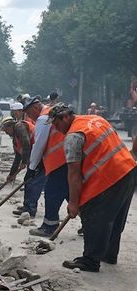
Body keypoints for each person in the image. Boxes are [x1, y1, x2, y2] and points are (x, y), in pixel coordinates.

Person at [47, 103, 137, 272]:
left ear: (65, 117)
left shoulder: (73, 136)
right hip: (128, 170)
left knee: (93, 215)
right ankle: (109, 255)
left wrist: (74, 203)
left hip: (110, 177)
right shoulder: (96, 119)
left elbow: (73, 173)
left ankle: (90, 260)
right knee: (115, 217)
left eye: (56, 124)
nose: (55, 128)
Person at [23, 96, 69, 237]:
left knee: (51, 193)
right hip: (66, 160)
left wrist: (31, 168)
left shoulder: (43, 118)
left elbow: (39, 145)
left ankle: (49, 226)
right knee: (71, 196)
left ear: (36, 108)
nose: (30, 117)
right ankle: (88, 225)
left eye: (30, 113)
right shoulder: (50, 112)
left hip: (59, 163)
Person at [1, 117, 45, 218]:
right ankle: (27, 207)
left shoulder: (20, 127)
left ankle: (30, 209)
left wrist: (24, 161)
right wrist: (11, 174)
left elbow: (26, 143)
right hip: (34, 159)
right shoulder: (15, 138)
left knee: (33, 183)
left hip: (41, 158)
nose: (6, 133)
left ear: (10, 126)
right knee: (27, 181)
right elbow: (17, 157)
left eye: (6, 130)